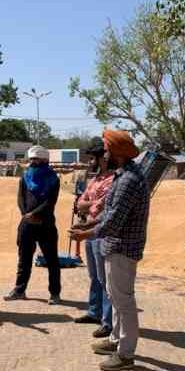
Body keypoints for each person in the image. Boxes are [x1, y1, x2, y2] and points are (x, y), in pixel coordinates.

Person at [70, 130, 149, 371]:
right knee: (116, 298)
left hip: (122, 248)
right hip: (114, 245)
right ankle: (116, 341)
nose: (104, 156)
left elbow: (114, 220)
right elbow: (109, 212)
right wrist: (90, 224)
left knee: (123, 302)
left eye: (106, 151)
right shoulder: (123, 175)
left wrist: (86, 234)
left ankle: (126, 354)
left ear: (117, 152)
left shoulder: (128, 180)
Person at [4, 145, 62, 305]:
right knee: (24, 258)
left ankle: (55, 293)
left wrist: (35, 215)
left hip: (46, 224)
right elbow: (20, 198)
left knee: (52, 260)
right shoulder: (25, 177)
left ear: (44, 160)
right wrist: (26, 215)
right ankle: (19, 290)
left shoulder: (53, 179)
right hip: (26, 224)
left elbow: (50, 202)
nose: (32, 162)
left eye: (36, 159)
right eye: (31, 159)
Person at [72, 138, 115, 338]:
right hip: (88, 231)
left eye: (92, 158)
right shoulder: (96, 179)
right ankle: (94, 311)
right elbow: (83, 201)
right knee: (94, 277)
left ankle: (108, 322)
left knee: (104, 279)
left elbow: (98, 206)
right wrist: (86, 204)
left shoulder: (112, 180)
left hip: (100, 232)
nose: (90, 162)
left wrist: (86, 204)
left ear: (101, 158)